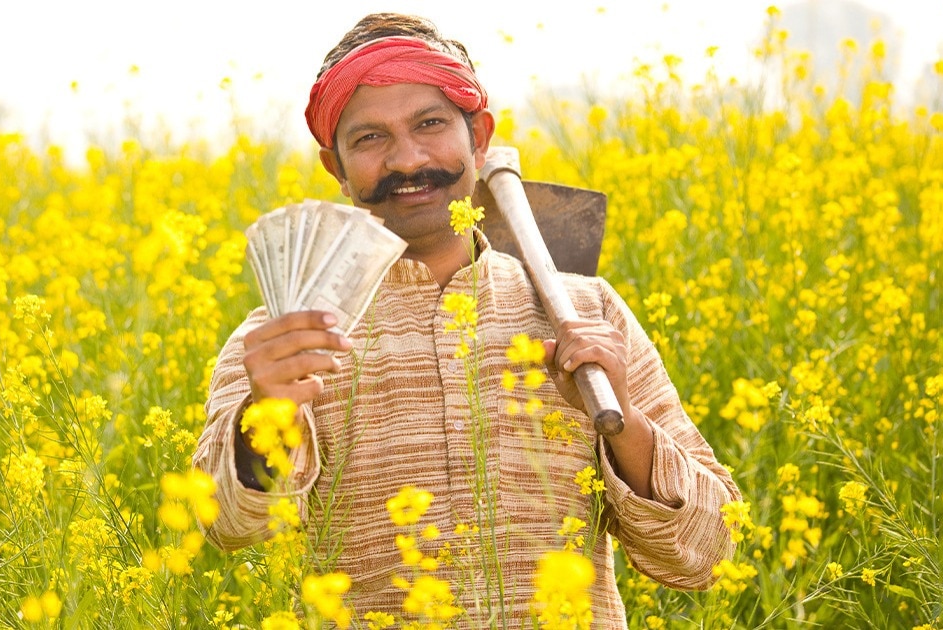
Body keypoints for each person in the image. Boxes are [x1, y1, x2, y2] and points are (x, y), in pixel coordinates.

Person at [194, 12, 741, 628]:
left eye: (430, 124)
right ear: (336, 169)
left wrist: (624, 424)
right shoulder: (284, 338)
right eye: (369, 138)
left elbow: (708, 553)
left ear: (479, 136)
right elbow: (227, 524)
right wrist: (267, 412)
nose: (407, 159)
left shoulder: (586, 310)